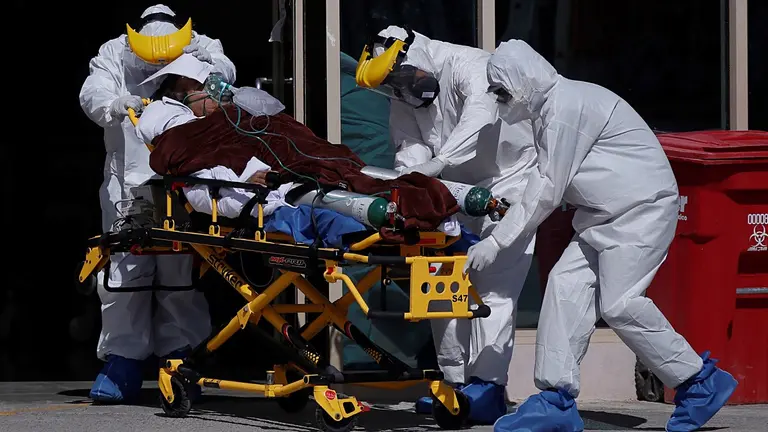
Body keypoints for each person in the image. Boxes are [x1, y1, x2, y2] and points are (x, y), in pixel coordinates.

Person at [465, 39, 738, 432]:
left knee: (621, 304)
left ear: (523, 81)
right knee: (564, 287)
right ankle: (556, 401)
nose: (499, 101)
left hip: (641, 210)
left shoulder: (564, 109)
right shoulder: (549, 110)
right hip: (601, 216)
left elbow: (546, 186)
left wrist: (497, 240)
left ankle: (700, 382)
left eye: (502, 91)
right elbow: (544, 179)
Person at [355, 25, 538, 424]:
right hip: (451, 190)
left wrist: (438, 163)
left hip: (509, 181)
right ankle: (453, 383)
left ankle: (488, 385)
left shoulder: (471, 65)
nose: (399, 91)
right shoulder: (406, 89)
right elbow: (408, 144)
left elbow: (480, 116)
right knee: (439, 279)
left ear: (414, 55)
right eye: (391, 87)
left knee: (494, 287)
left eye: (400, 80)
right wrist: (415, 181)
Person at [78, 4, 236, 404]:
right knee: (124, 272)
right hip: (127, 183)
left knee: (179, 269)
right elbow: (93, 90)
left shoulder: (196, 44)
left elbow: (224, 70)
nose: (159, 65)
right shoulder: (115, 51)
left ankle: (181, 357)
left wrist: (211, 70)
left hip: (181, 180)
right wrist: (113, 103)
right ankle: (122, 361)